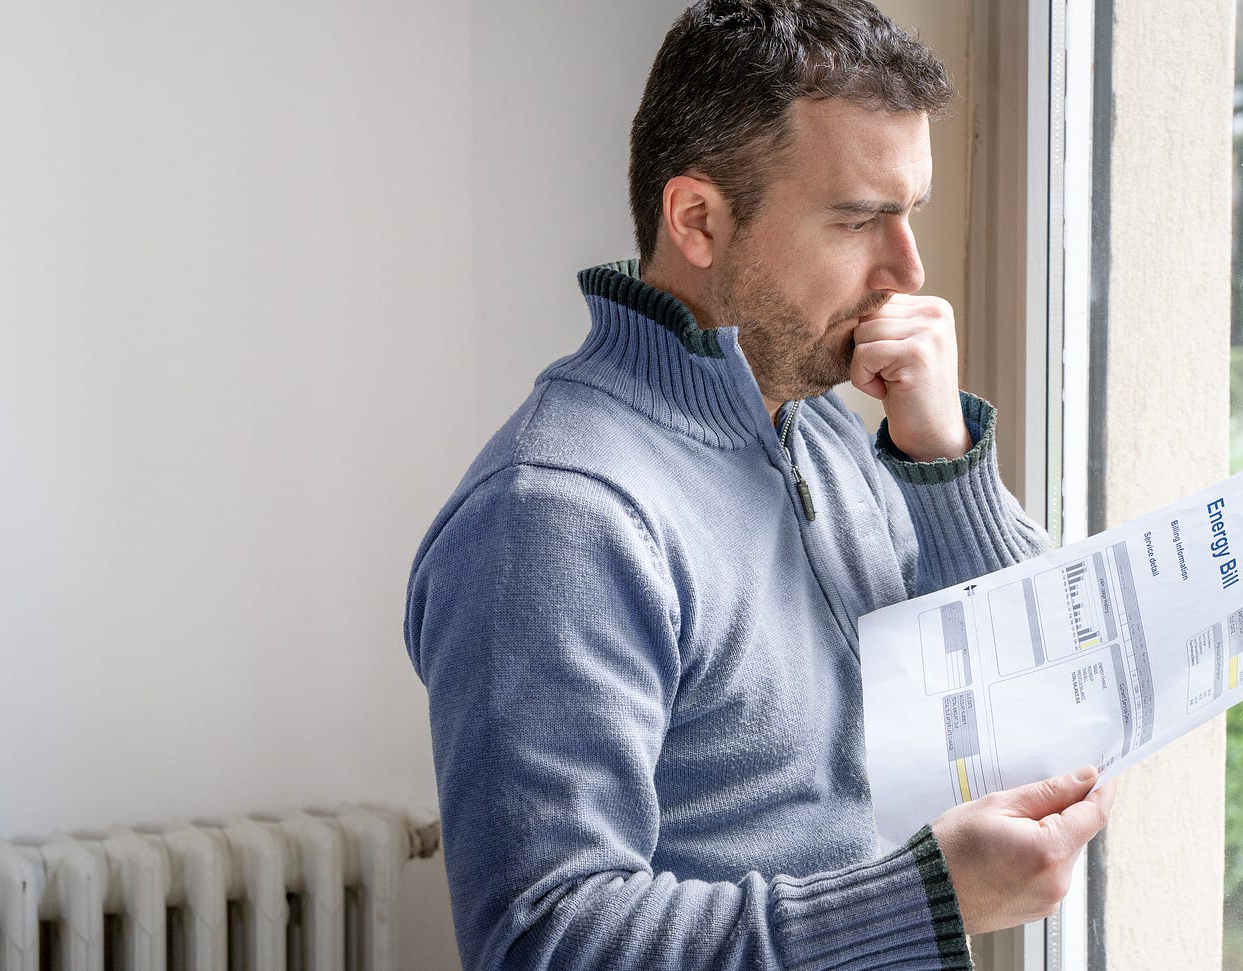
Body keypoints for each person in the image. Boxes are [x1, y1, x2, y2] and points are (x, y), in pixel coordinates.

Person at [404, 1, 1117, 967]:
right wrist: (925, 898)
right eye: (860, 220)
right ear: (697, 218)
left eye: (911, 215)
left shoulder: (821, 422)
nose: (907, 271)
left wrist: (943, 461)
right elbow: (547, 939)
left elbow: (1037, 704)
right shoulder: (558, 514)